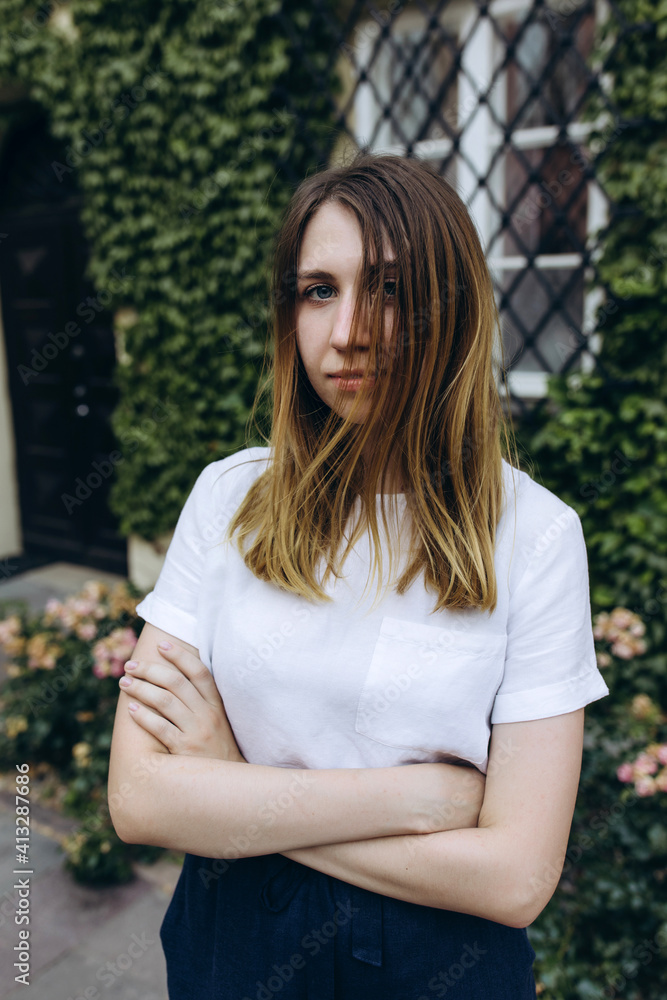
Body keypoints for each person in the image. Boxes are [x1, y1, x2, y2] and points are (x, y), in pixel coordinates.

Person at [108, 151, 610, 1000]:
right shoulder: (229, 497)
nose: (347, 332)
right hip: (232, 947)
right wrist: (420, 798)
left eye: (386, 288)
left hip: (435, 965)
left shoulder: (536, 537)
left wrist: (233, 787)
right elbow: (140, 801)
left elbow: (515, 880)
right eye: (318, 290)